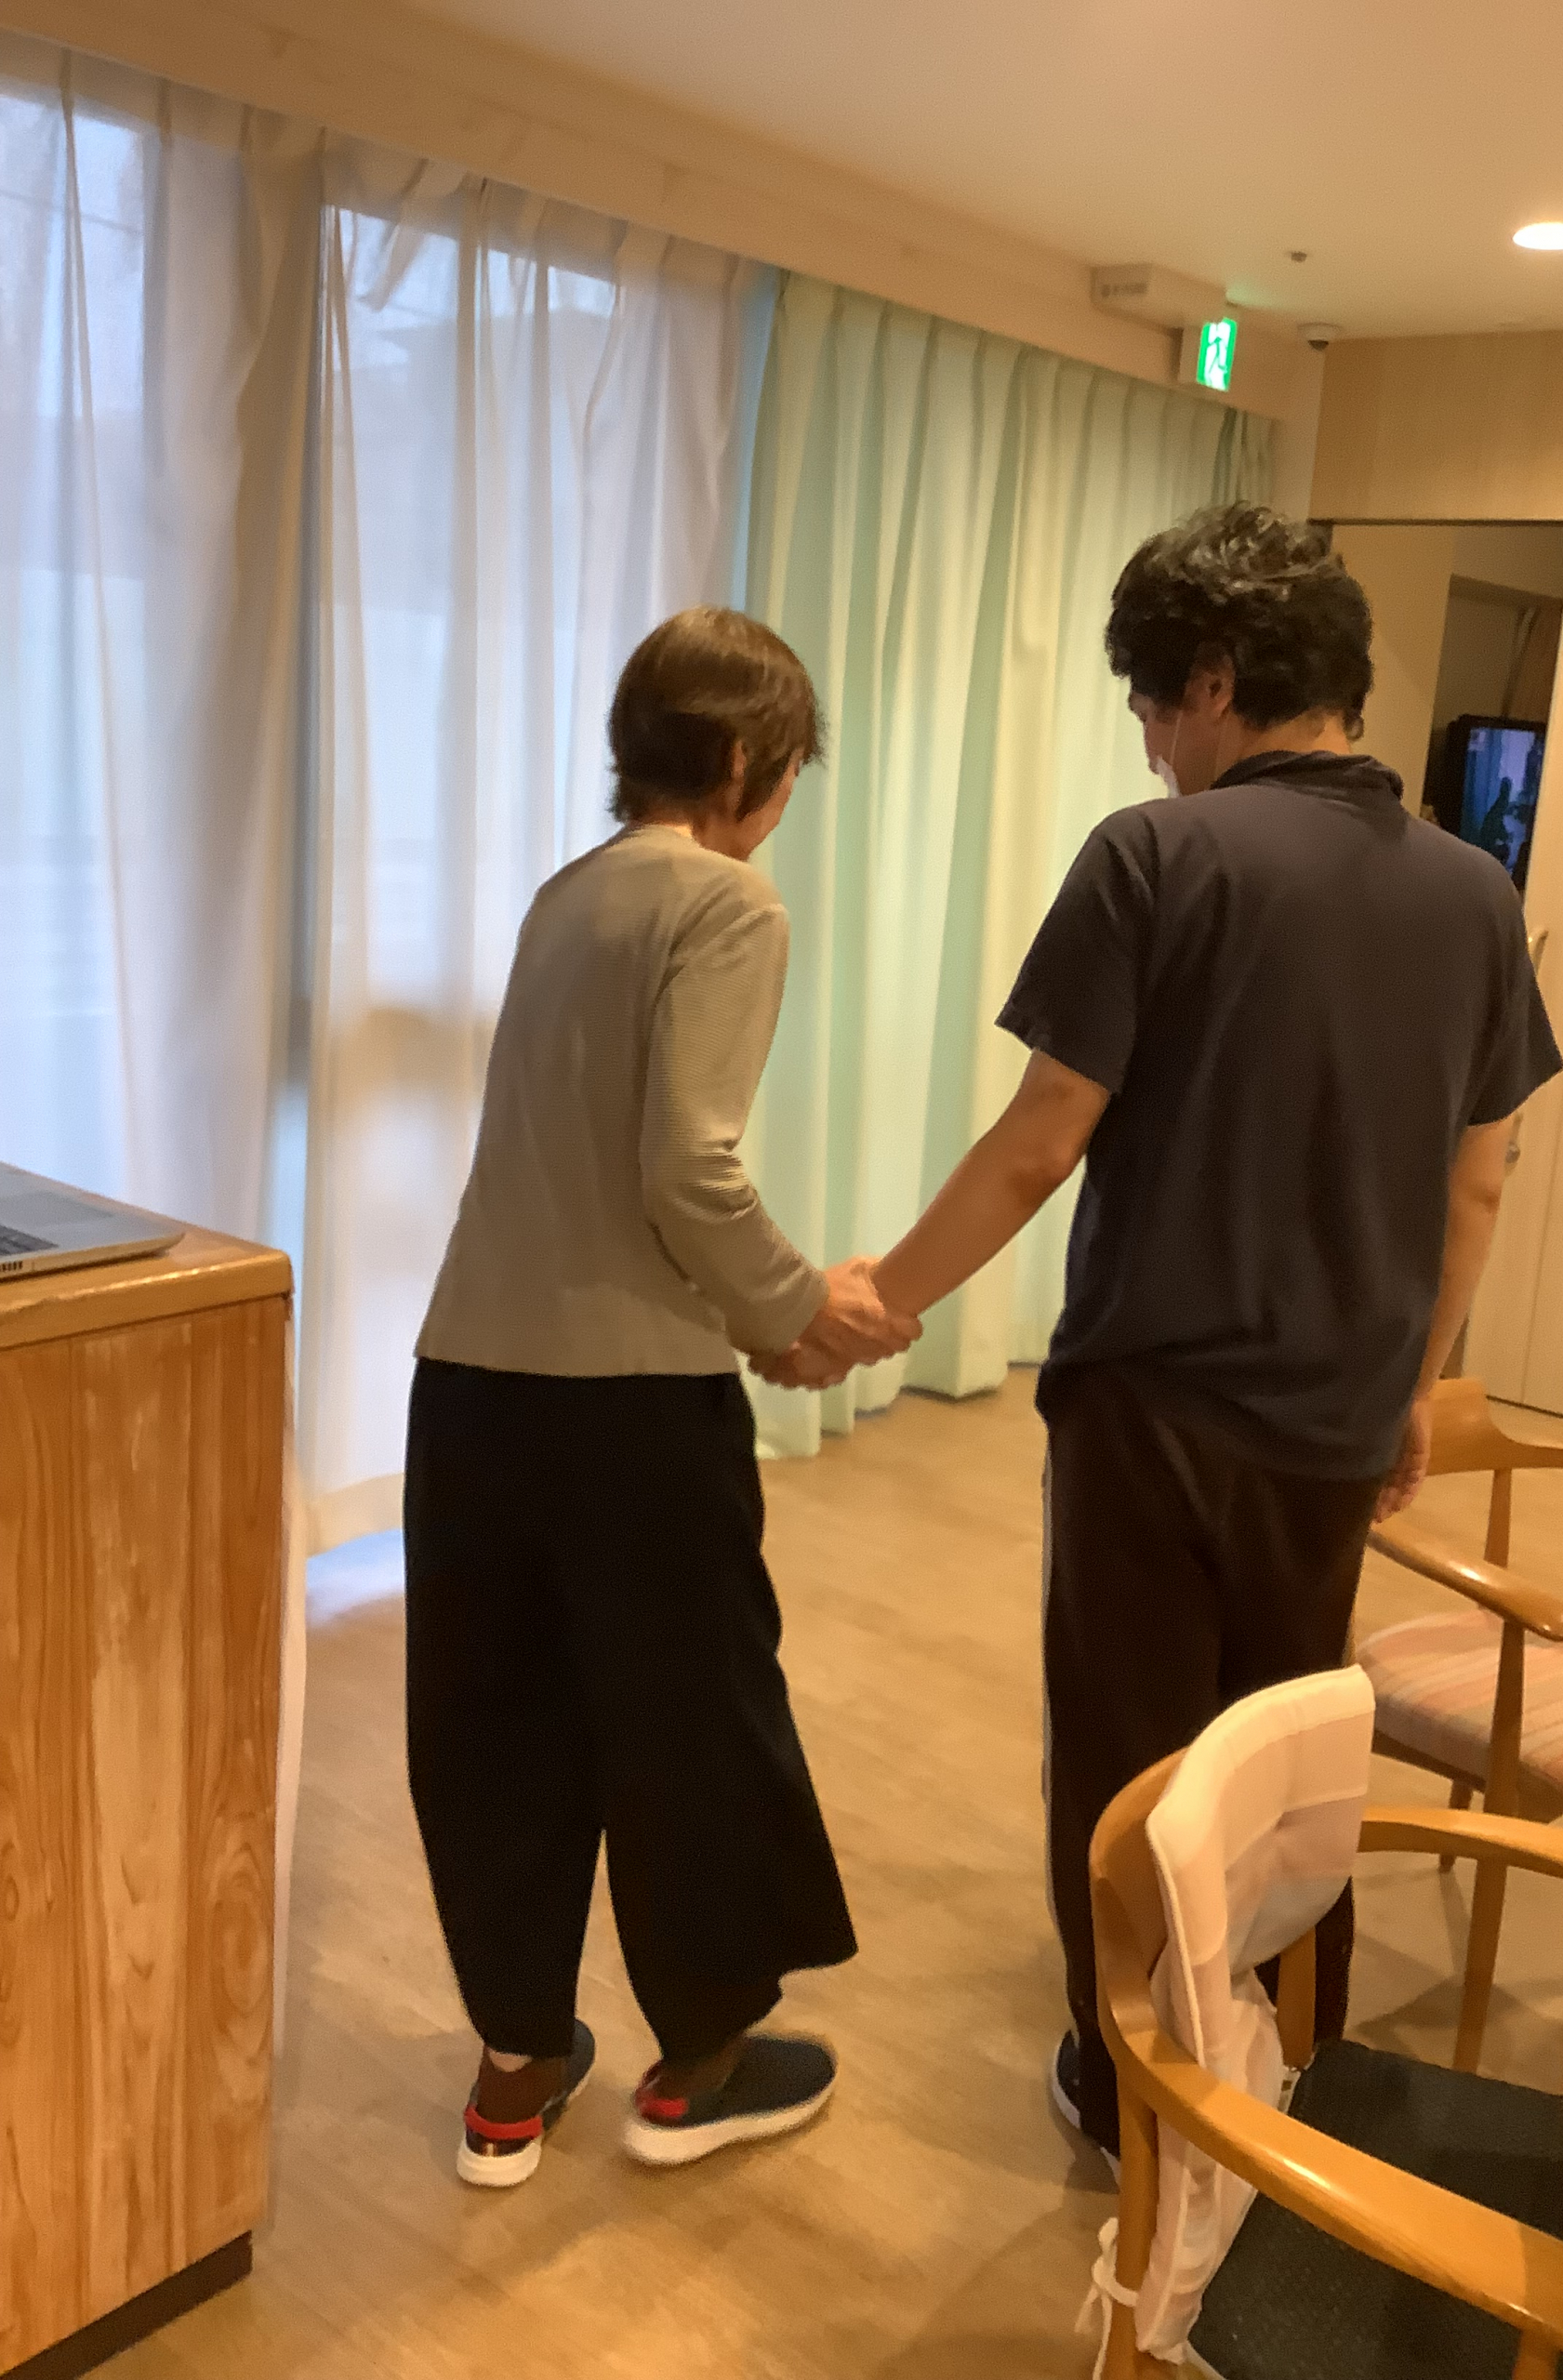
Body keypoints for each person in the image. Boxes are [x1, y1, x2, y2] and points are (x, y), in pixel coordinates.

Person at [855, 503, 1563, 2160]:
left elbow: (1041, 1140)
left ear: (1221, 680)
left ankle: (1132, 2099)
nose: (1149, 743)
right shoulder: (1476, 894)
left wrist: (885, 1299)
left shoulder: (1153, 859)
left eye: (1152, 703)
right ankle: (1285, 2069)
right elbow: (1477, 1184)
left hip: (1155, 1415)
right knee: (1292, 1750)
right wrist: (1416, 1384)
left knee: (1132, 1764)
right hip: (1337, 1419)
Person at [405, 606, 918, 2187]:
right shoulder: (727, 899)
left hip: (468, 1387)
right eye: (790, 774)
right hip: (631, 1417)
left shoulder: (564, 896)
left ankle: (514, 2070)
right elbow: (687, 1166)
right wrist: (799, 1308)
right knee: (691, 1721)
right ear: (748, 760)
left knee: (494, 1726)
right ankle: (700, 2066)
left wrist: (763, 1310)